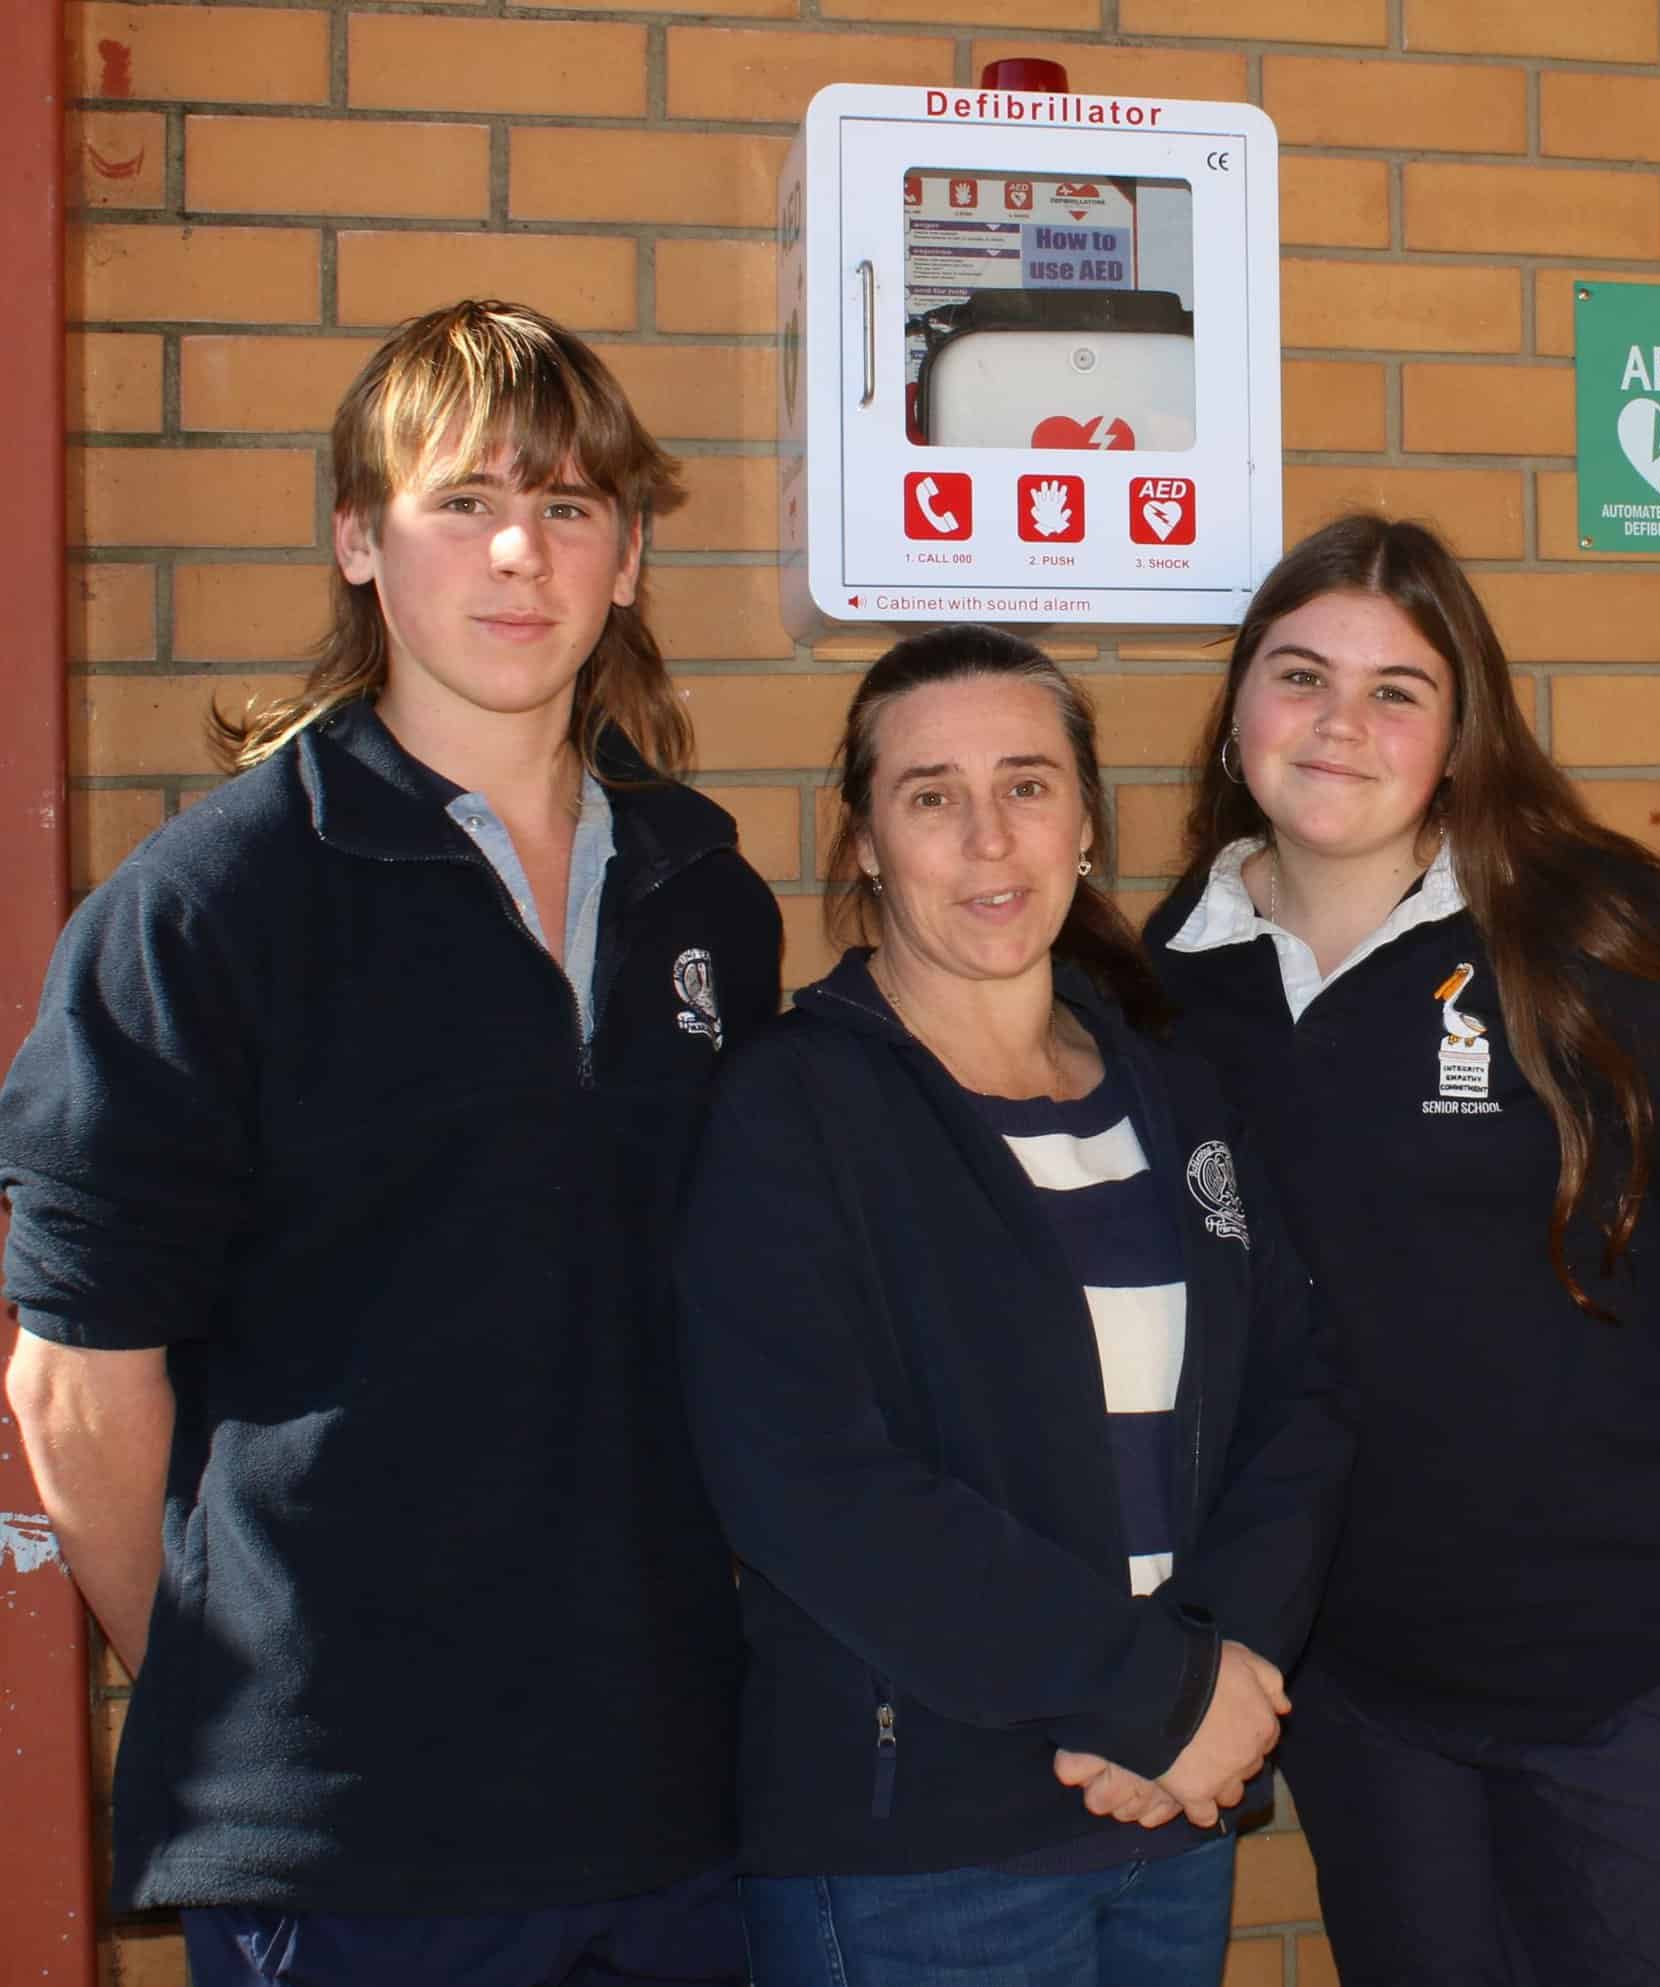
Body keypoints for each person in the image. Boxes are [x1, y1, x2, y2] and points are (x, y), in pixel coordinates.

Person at [0, 300, 780, 1986]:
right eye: (463, 501)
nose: (520, 553)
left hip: (670, 1808)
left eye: (569, 506)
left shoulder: (706, 896)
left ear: (631, 558)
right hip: (350, 1845)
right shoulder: (210, 906)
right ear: (359, 539)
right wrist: (244, 1691)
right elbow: (74, 1384)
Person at [1144, 514, 1660, 1987]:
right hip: (1372, 1691)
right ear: (1237, 710)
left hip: (1651, 1666)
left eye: (1396, 690)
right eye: (1300, 676)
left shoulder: (1582, 928)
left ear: (1462, 737)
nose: (1339, 724)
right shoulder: (1177, 975)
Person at [674, 625, 1349, 1987]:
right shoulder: (794, 1108)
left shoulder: (1174, 1090)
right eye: (931, 796)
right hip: (923, 1853)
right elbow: (809, 1484)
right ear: (866, 842)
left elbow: (1298, 1399)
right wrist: (1157, 1696)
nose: (990, 839)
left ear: (1085, 822)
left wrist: (1219, 1673)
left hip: (1170, 1822)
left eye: (1028, 785)